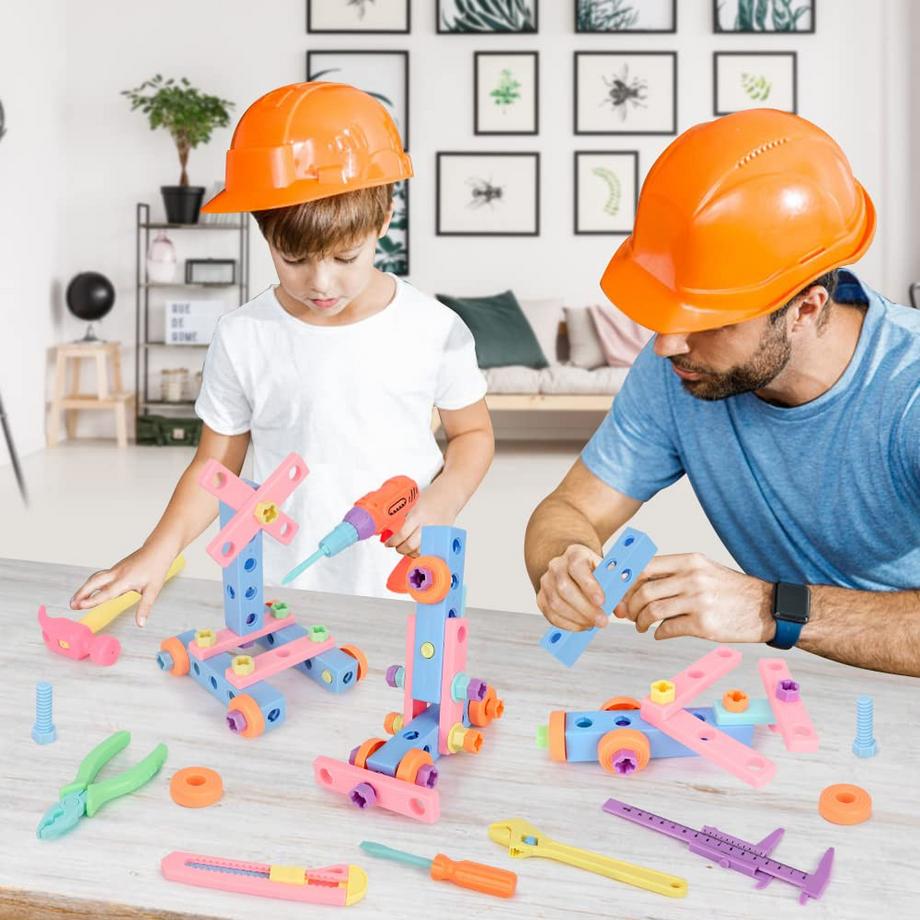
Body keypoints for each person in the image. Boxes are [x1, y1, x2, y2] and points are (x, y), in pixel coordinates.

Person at [71, 82, 493, 625]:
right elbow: (213, 468)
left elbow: (472, 435)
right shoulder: (243, 335)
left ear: (384, 220)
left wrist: (444, 499)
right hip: (282, 583)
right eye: (293, 258)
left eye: (346, 256)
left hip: (403, 586)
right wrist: (158, 550)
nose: (321, 282)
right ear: (263, 231)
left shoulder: (434, 328)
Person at [525, 109, 920, 677]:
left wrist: (769, 608)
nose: (667, 344)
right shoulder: (680, 368)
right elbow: (568, 510)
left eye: (708, 318)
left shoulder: (907, 391)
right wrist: (563, 564)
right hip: (798, 689)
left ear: (805, 308)